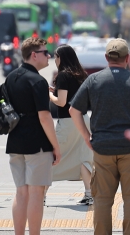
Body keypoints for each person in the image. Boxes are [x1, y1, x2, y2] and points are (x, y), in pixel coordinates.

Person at [69, 39, 130, 235]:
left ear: (106, 58)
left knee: (102, 200)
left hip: (102, 149)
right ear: (127, 58)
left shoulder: (94, 80)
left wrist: (87, 137)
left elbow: (74, 110)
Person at [5, 37, 61, 235]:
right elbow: (45, 117)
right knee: (37, 193)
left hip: (14, 141)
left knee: (21, 192)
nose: (49, 56)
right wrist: (56, 145)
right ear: (34, 55)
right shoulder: (38, 81)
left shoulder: (11, 77)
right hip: (37, 144)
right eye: (46, 52)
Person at [47, 45, 92, 205]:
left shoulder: (63, 76)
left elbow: (61, 101)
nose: (54, 60)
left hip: (68, 121)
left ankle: (41, 195)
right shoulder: (82, 75)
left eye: (55, 56)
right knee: (84, 157)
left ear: (61, 58)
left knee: (53, 156)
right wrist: (56, 90)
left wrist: (50, 94)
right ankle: (89, 194)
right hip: (84, 119)